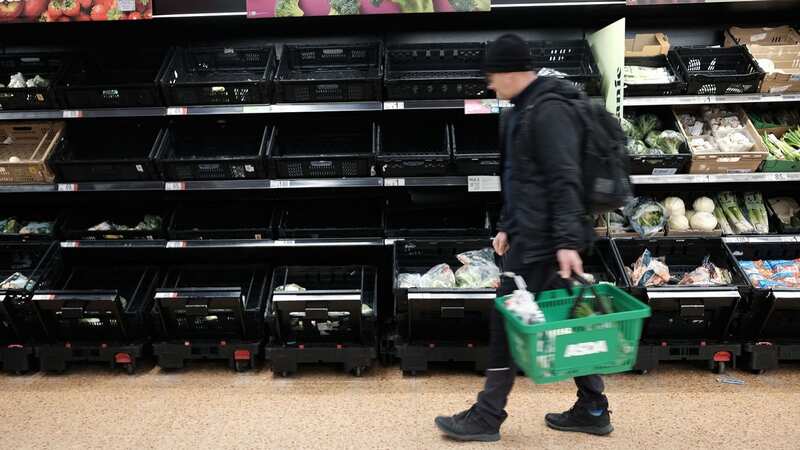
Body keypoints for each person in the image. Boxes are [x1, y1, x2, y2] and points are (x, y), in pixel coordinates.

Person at [434, 34, 612, 442]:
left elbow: (563, 178)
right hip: (533, 233)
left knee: (507, 317)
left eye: (494, 77)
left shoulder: (548, 111)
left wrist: (566, 241)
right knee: (569, 319)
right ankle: (593, 407)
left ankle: (487, 415)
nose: (491, 85)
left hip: (547, 241)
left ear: (513, 73)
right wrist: (506, 224)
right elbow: (521, 177)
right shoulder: (524, 108)